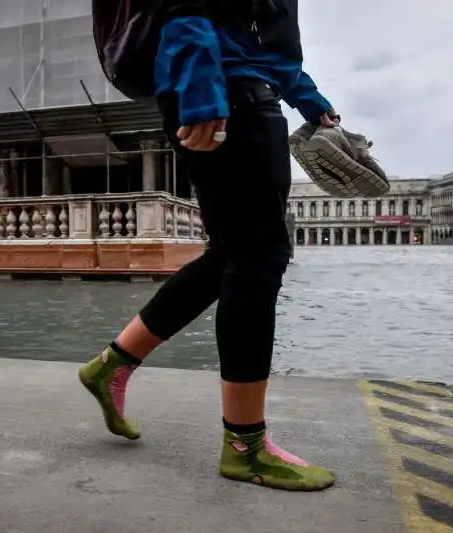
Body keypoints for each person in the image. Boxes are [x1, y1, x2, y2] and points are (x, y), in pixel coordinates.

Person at [80, 1, 336, 492]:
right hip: (224, 88)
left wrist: (310, 99)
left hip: (234, 84)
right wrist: (200, 84)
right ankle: (246, 447)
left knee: (231, 254)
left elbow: (261, 34)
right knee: (258, 258)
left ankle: (110, 366)